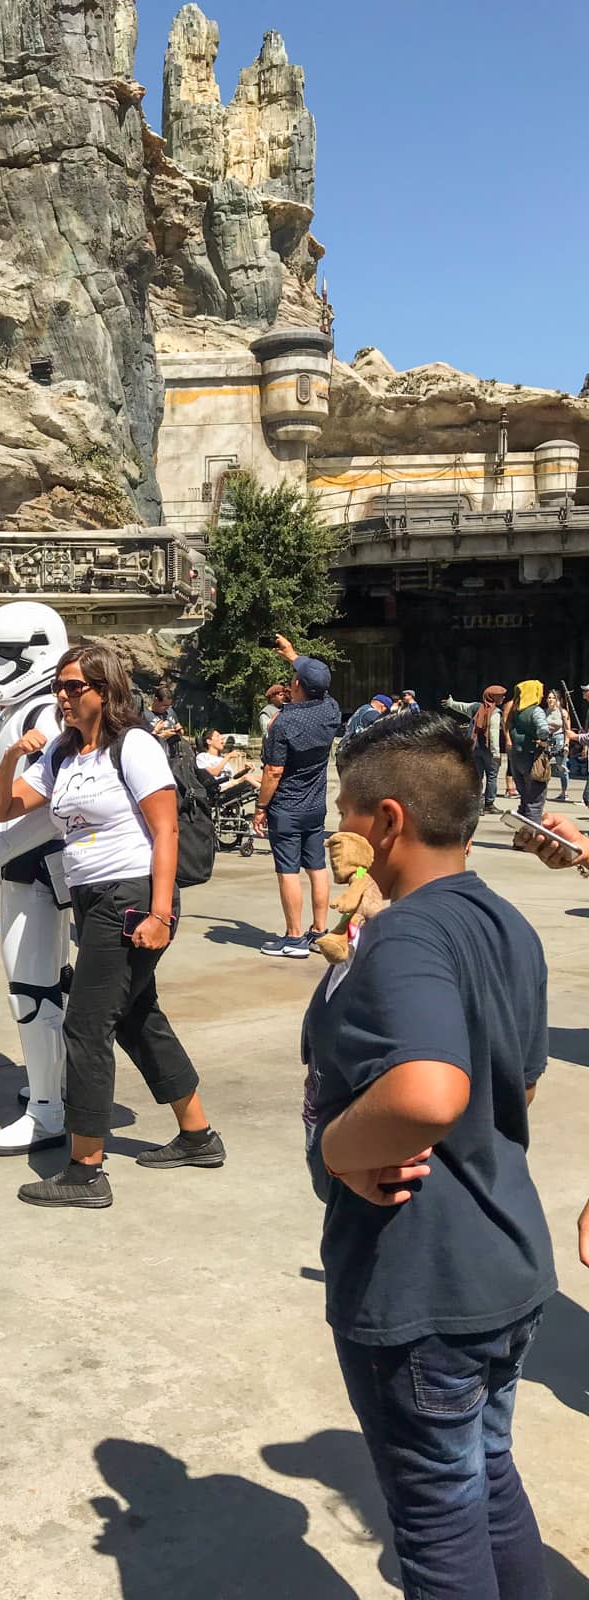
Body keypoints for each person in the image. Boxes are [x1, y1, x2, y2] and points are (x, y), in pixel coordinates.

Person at [303, 711, 556, 1600]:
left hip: (424, 1285)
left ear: (388, 823)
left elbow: (429, 1092)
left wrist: (340, 1147)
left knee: (438, 1523)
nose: (337, 826)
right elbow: (515, 1089)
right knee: (485, 1477)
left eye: (346, 809)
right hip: (502, 1262)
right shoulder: (504, 922)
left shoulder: (409, 937)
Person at [0, 641, 225, 1210]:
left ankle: (86, 1169)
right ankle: (198, 1137)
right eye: (58, 688)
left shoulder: (133, 745)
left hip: (132, 896)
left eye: (75, 687)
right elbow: (1, 810)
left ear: (106, 689)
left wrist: (162, 914)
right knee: (137, 1017)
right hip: (91, 899)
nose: (64, 697)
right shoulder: (63, 754)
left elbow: (164, 831)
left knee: (85, 1027)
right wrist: (12, 757)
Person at [0, 601, 72, 1155]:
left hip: (40, 864)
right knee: (36, 986)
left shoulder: (44, 715)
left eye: (6, 653)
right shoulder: (19, 713)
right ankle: (54, 1091)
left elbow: (52, 806)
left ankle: (48, 1110)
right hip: (20, 864)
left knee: (33, 988)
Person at [254, 635, 342, 958]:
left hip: (287, 807)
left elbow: (273, 772)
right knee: (316, 868)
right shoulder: (331, 710)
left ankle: (293, 938)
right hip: (315, 806)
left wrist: (261, 807)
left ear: (297, 685)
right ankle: (319, 931)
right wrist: (293, 656)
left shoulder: (283, 723)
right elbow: (319, 685)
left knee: (288, 870)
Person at [443, 685, 506, 814]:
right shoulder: (495, 713)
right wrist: (496, 753)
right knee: (492, 777)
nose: (503, 697)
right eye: (501, 696)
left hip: (474, 748)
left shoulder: (475, 707)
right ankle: (489, 804)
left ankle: (478, 806)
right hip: (488, 751)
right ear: (494, 697)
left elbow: (461, 707)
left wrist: (451, 703)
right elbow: (493, 734)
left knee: (477, 777)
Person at [504, 679, 550, 823]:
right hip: (533, 759)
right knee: (535, 801)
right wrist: (544, 739)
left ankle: (520, 837)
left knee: (524, 799)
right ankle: (531, 837)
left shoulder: (516, 711)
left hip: (517, 759)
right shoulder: (536, 711)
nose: (542, 696)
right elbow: (543, 729)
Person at [195, 729, 257, 797]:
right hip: (220, 788)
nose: (222, 738)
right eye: (217, 736)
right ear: (209, 741)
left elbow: (233, 777)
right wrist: (228, 757)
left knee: (258, 778)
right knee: (247, 778)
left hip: (231, 783)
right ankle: (265, 798)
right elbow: (214, 773)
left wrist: (245, 770)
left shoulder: (221, 758)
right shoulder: (202, 757)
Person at [544, 688, 570, 803]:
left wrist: (566, 745)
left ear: (557, 699)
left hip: (559, 738)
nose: (550, 700)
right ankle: (542, 791)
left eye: (553, 697)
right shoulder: (545, 712)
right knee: (544, 765)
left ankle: (564, 792)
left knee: (561, 767)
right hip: (548, 739)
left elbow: (568, 730)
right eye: (549, 697)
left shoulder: (563, 712)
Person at [146, 687, 184, 759]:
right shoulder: (145, 715)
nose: (167, 708)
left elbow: (178, 725)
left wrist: (179, 731)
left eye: (169, 705)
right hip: (157, 756)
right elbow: (144, 742)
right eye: (164, 705)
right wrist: (163, 736)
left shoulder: (170, 711)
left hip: (174, 755)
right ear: (156, 700)